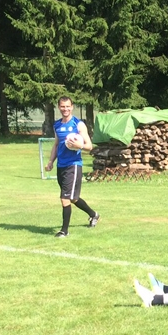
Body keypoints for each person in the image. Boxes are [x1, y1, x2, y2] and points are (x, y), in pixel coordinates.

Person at [43, 96, 99, 237]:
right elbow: (56, 145)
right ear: (59, 107)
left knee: (65, 198)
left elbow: (89, 146)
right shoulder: (57, 125)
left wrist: (80, 145)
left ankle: (64, 231)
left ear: (72, 107)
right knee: (73, 198)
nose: (65, 109)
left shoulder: (78, 125)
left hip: (73, 165)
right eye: (62, 106)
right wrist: (51, 161)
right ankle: (93, 214)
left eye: (68, 106)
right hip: (61, 166)